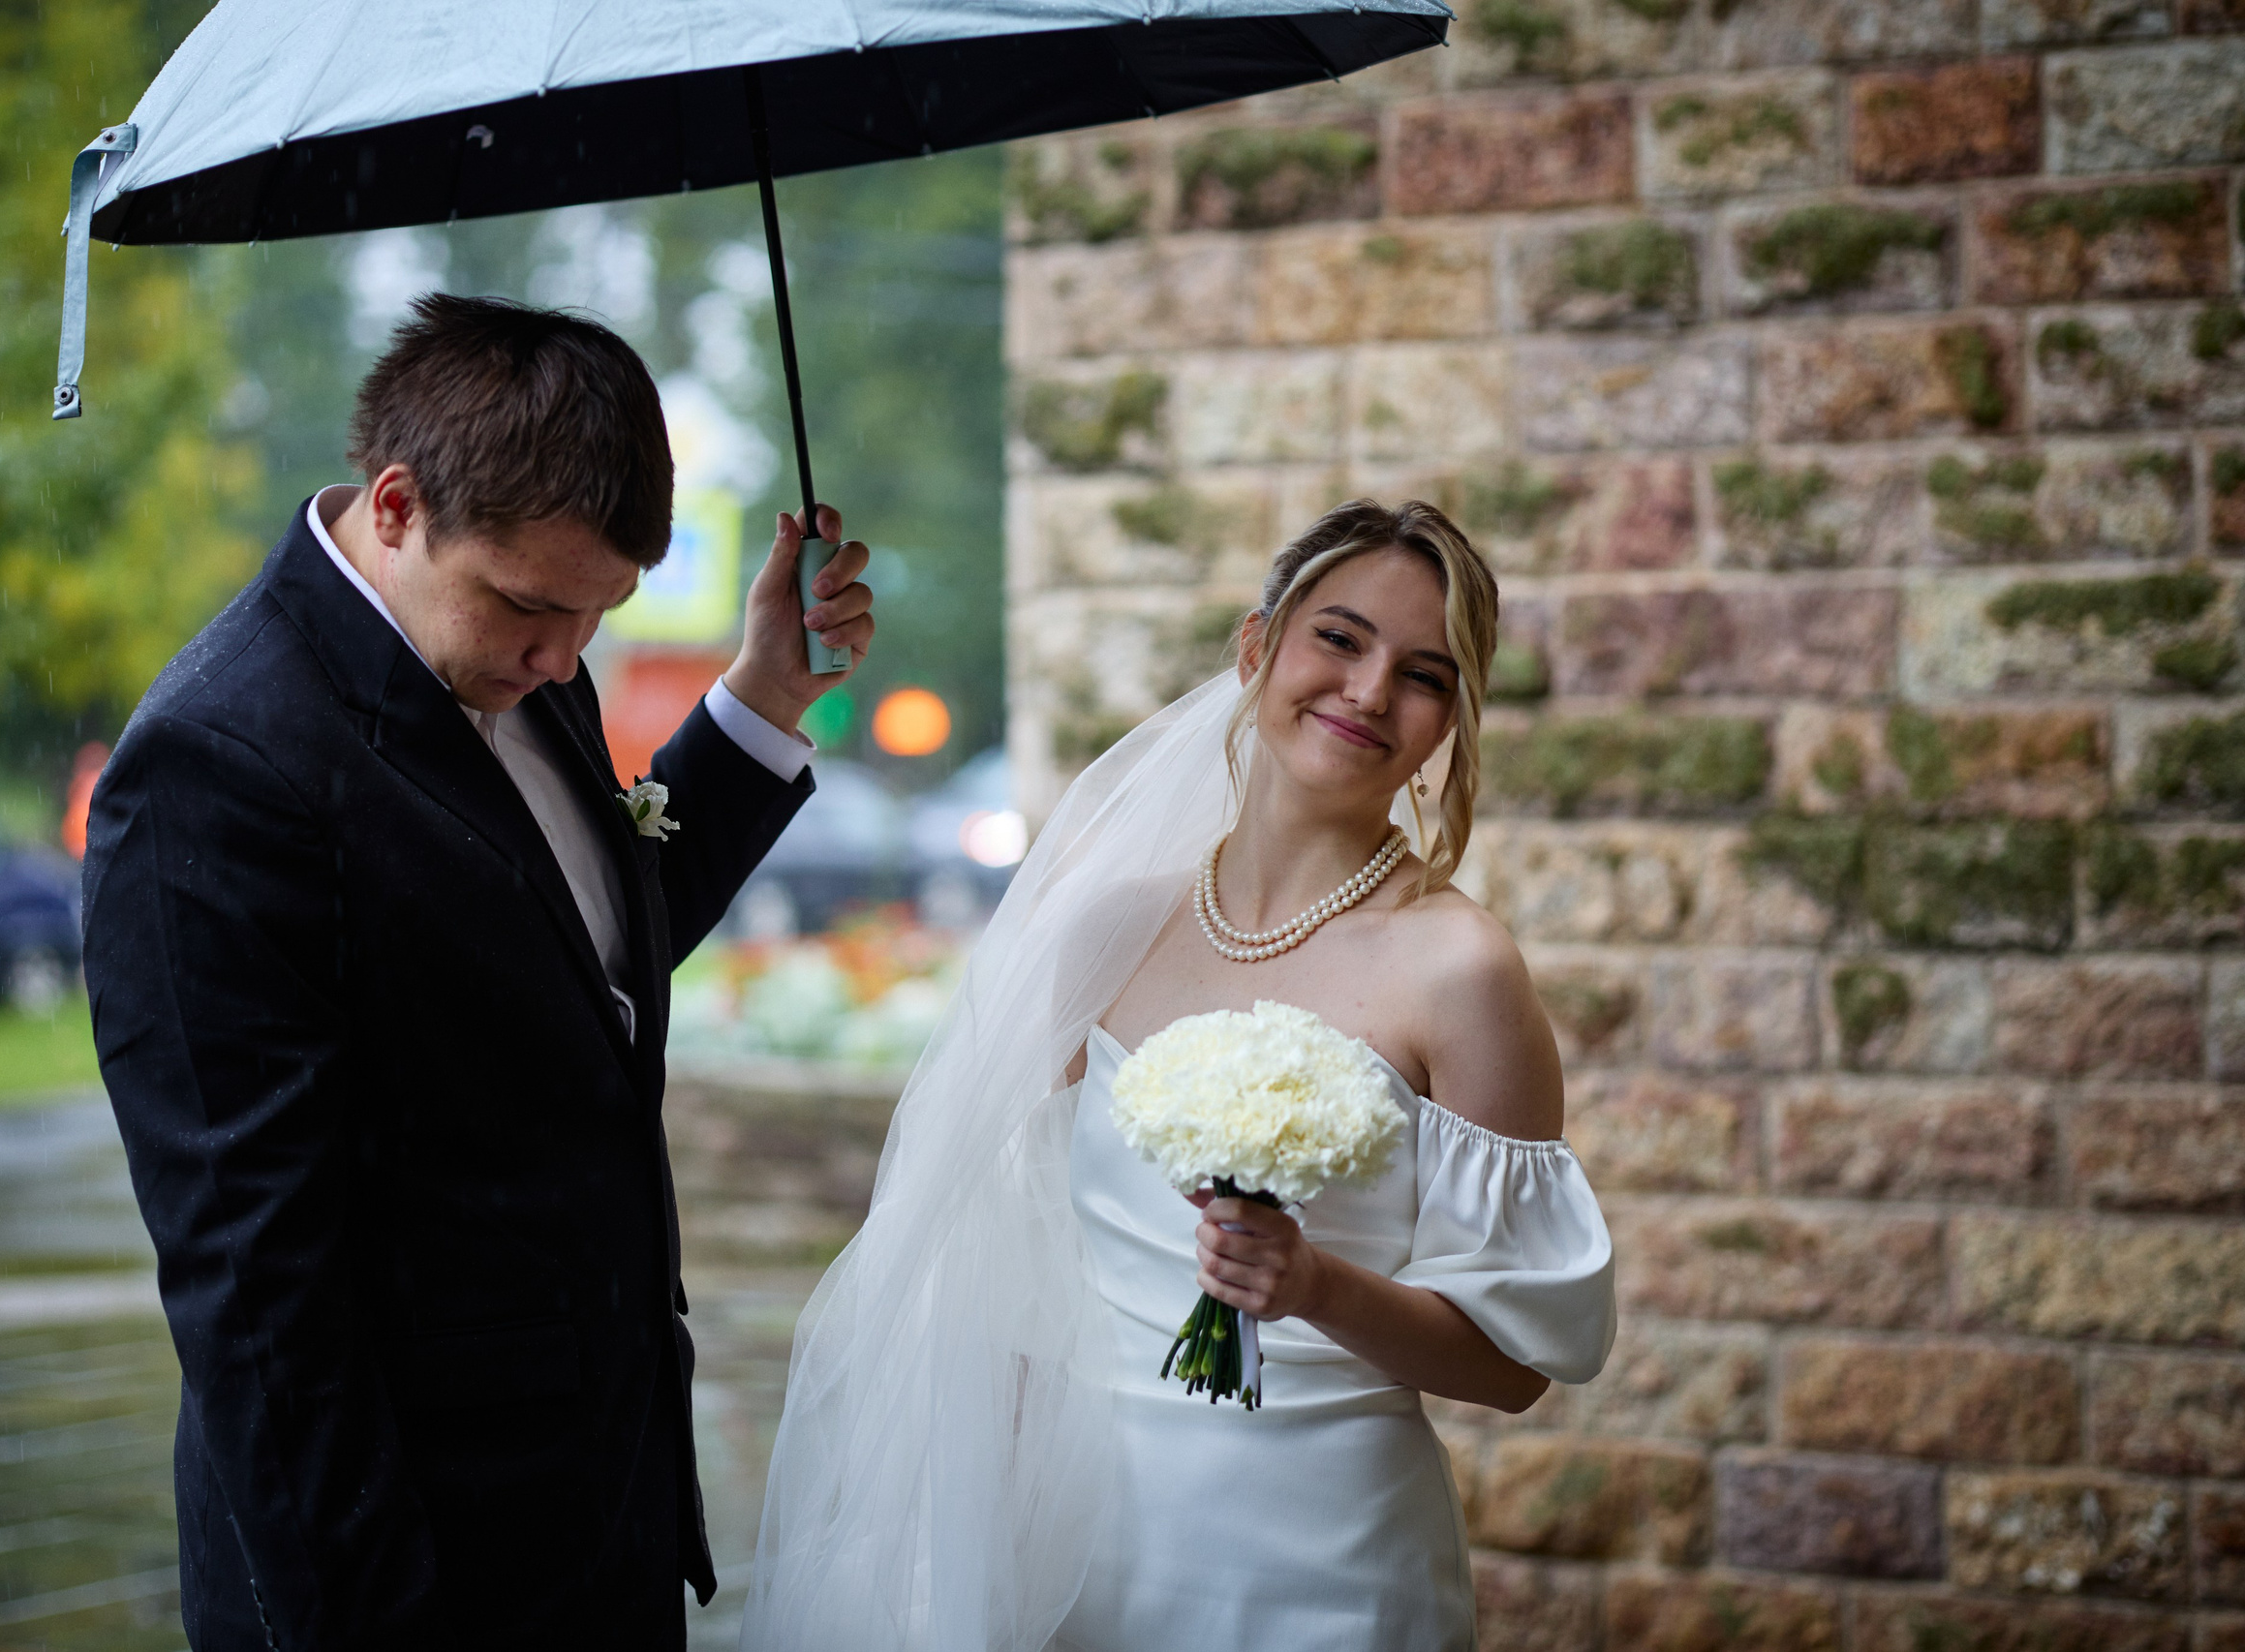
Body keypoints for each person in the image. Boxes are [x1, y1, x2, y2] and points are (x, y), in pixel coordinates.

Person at [83, 293, 873, 1650]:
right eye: (529, 606)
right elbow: (262, 1297)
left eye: (597, 616)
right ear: (397, 505)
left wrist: (761, 699)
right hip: (412, 1565)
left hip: (602, 1513)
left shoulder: (520, 657)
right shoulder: (220, 764)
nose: (564, 657)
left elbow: (575, 964)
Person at [743, 500, 1612, 1651]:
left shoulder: (1461, 971)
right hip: (1076, 1541)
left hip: (1328, 1559)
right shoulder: (1107, 924)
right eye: (1338, 639)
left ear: (1448, 721)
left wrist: (1313, 1286)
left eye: (1423, 675)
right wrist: (969, 1544)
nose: (1366, 692)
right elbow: (1003, 1249)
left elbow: (1512, 1370)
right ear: (1257, 648)